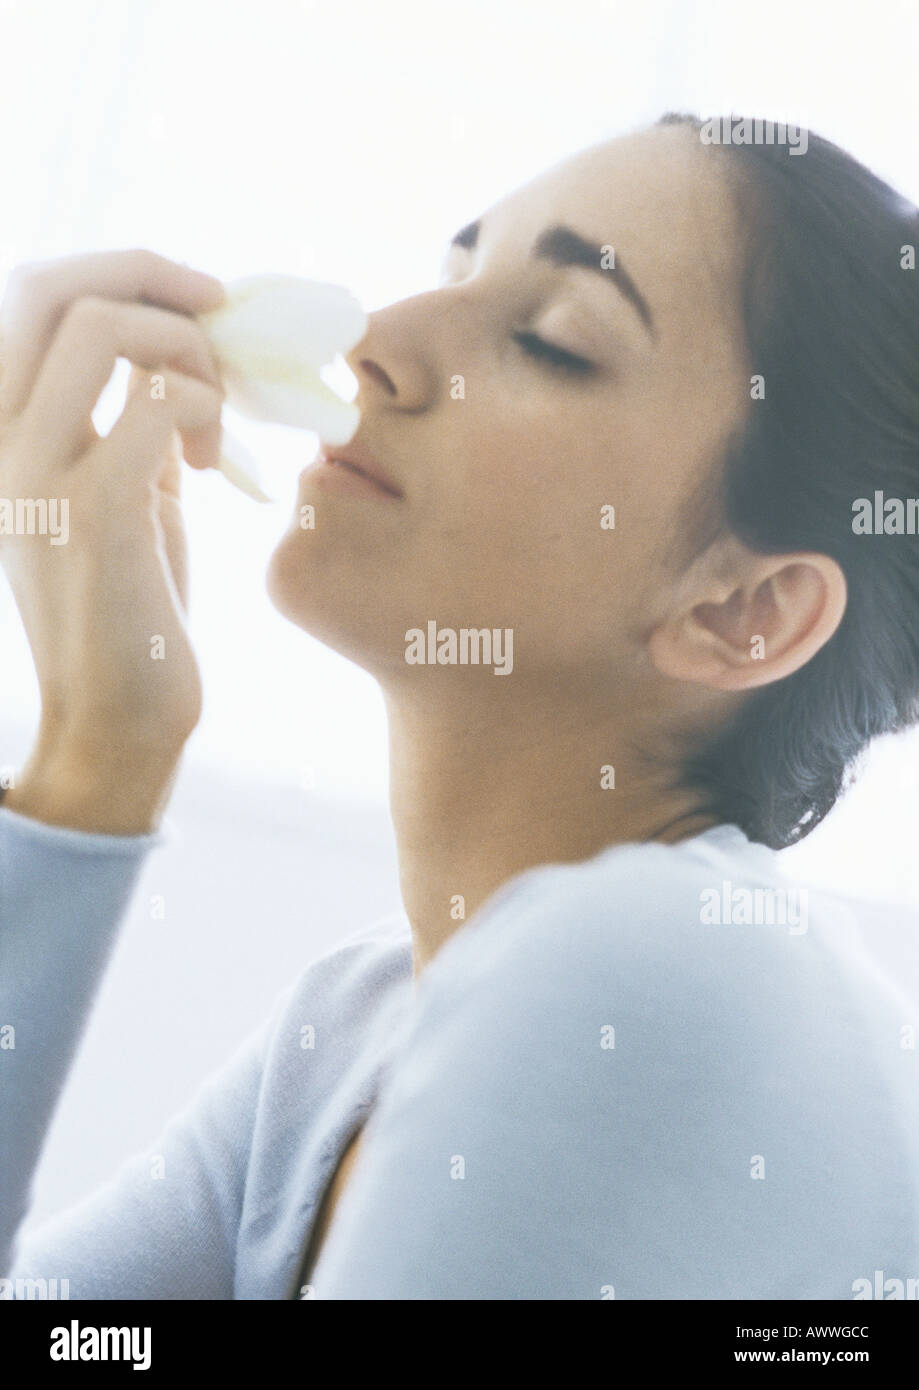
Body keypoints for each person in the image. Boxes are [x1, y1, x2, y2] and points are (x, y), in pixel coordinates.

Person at [1, 112, 918, 1300]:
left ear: (744, 613)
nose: (374, 340)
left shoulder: (670, 970)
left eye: (550, 341)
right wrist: (98, 747)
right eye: (452, 273)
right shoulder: (352, 1029)